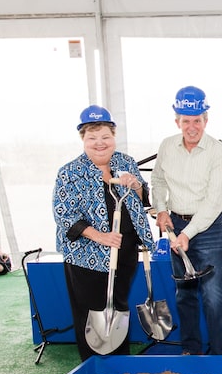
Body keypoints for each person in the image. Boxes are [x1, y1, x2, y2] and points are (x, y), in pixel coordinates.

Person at [52, 105, 154, 360]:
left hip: (125, 251)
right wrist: (100, 236)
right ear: (83, 140)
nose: (100, 143)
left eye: (105, 137)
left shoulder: (126, 162)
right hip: (87, 255)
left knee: (118, 307)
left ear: (114, 137)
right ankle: (94, 367)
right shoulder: (69, 172)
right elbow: (64, 214)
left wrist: (138, 187)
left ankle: (119, 364)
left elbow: (141, 200)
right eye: (92, 137)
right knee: (90, 311)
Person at [152, 86, 222, 355]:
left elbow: (213, 202)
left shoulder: (218, 152)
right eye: (186, 121)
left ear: (206, 120)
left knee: (213, 295)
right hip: (176, 224)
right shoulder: (166, 146)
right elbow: (158, 180)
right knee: (184, 293)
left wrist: (189, 233)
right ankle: (191, 350)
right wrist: (161, 209)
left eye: (197, 120)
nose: (192, 126)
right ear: (177, 121)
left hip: (208, 229)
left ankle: (219, 353)